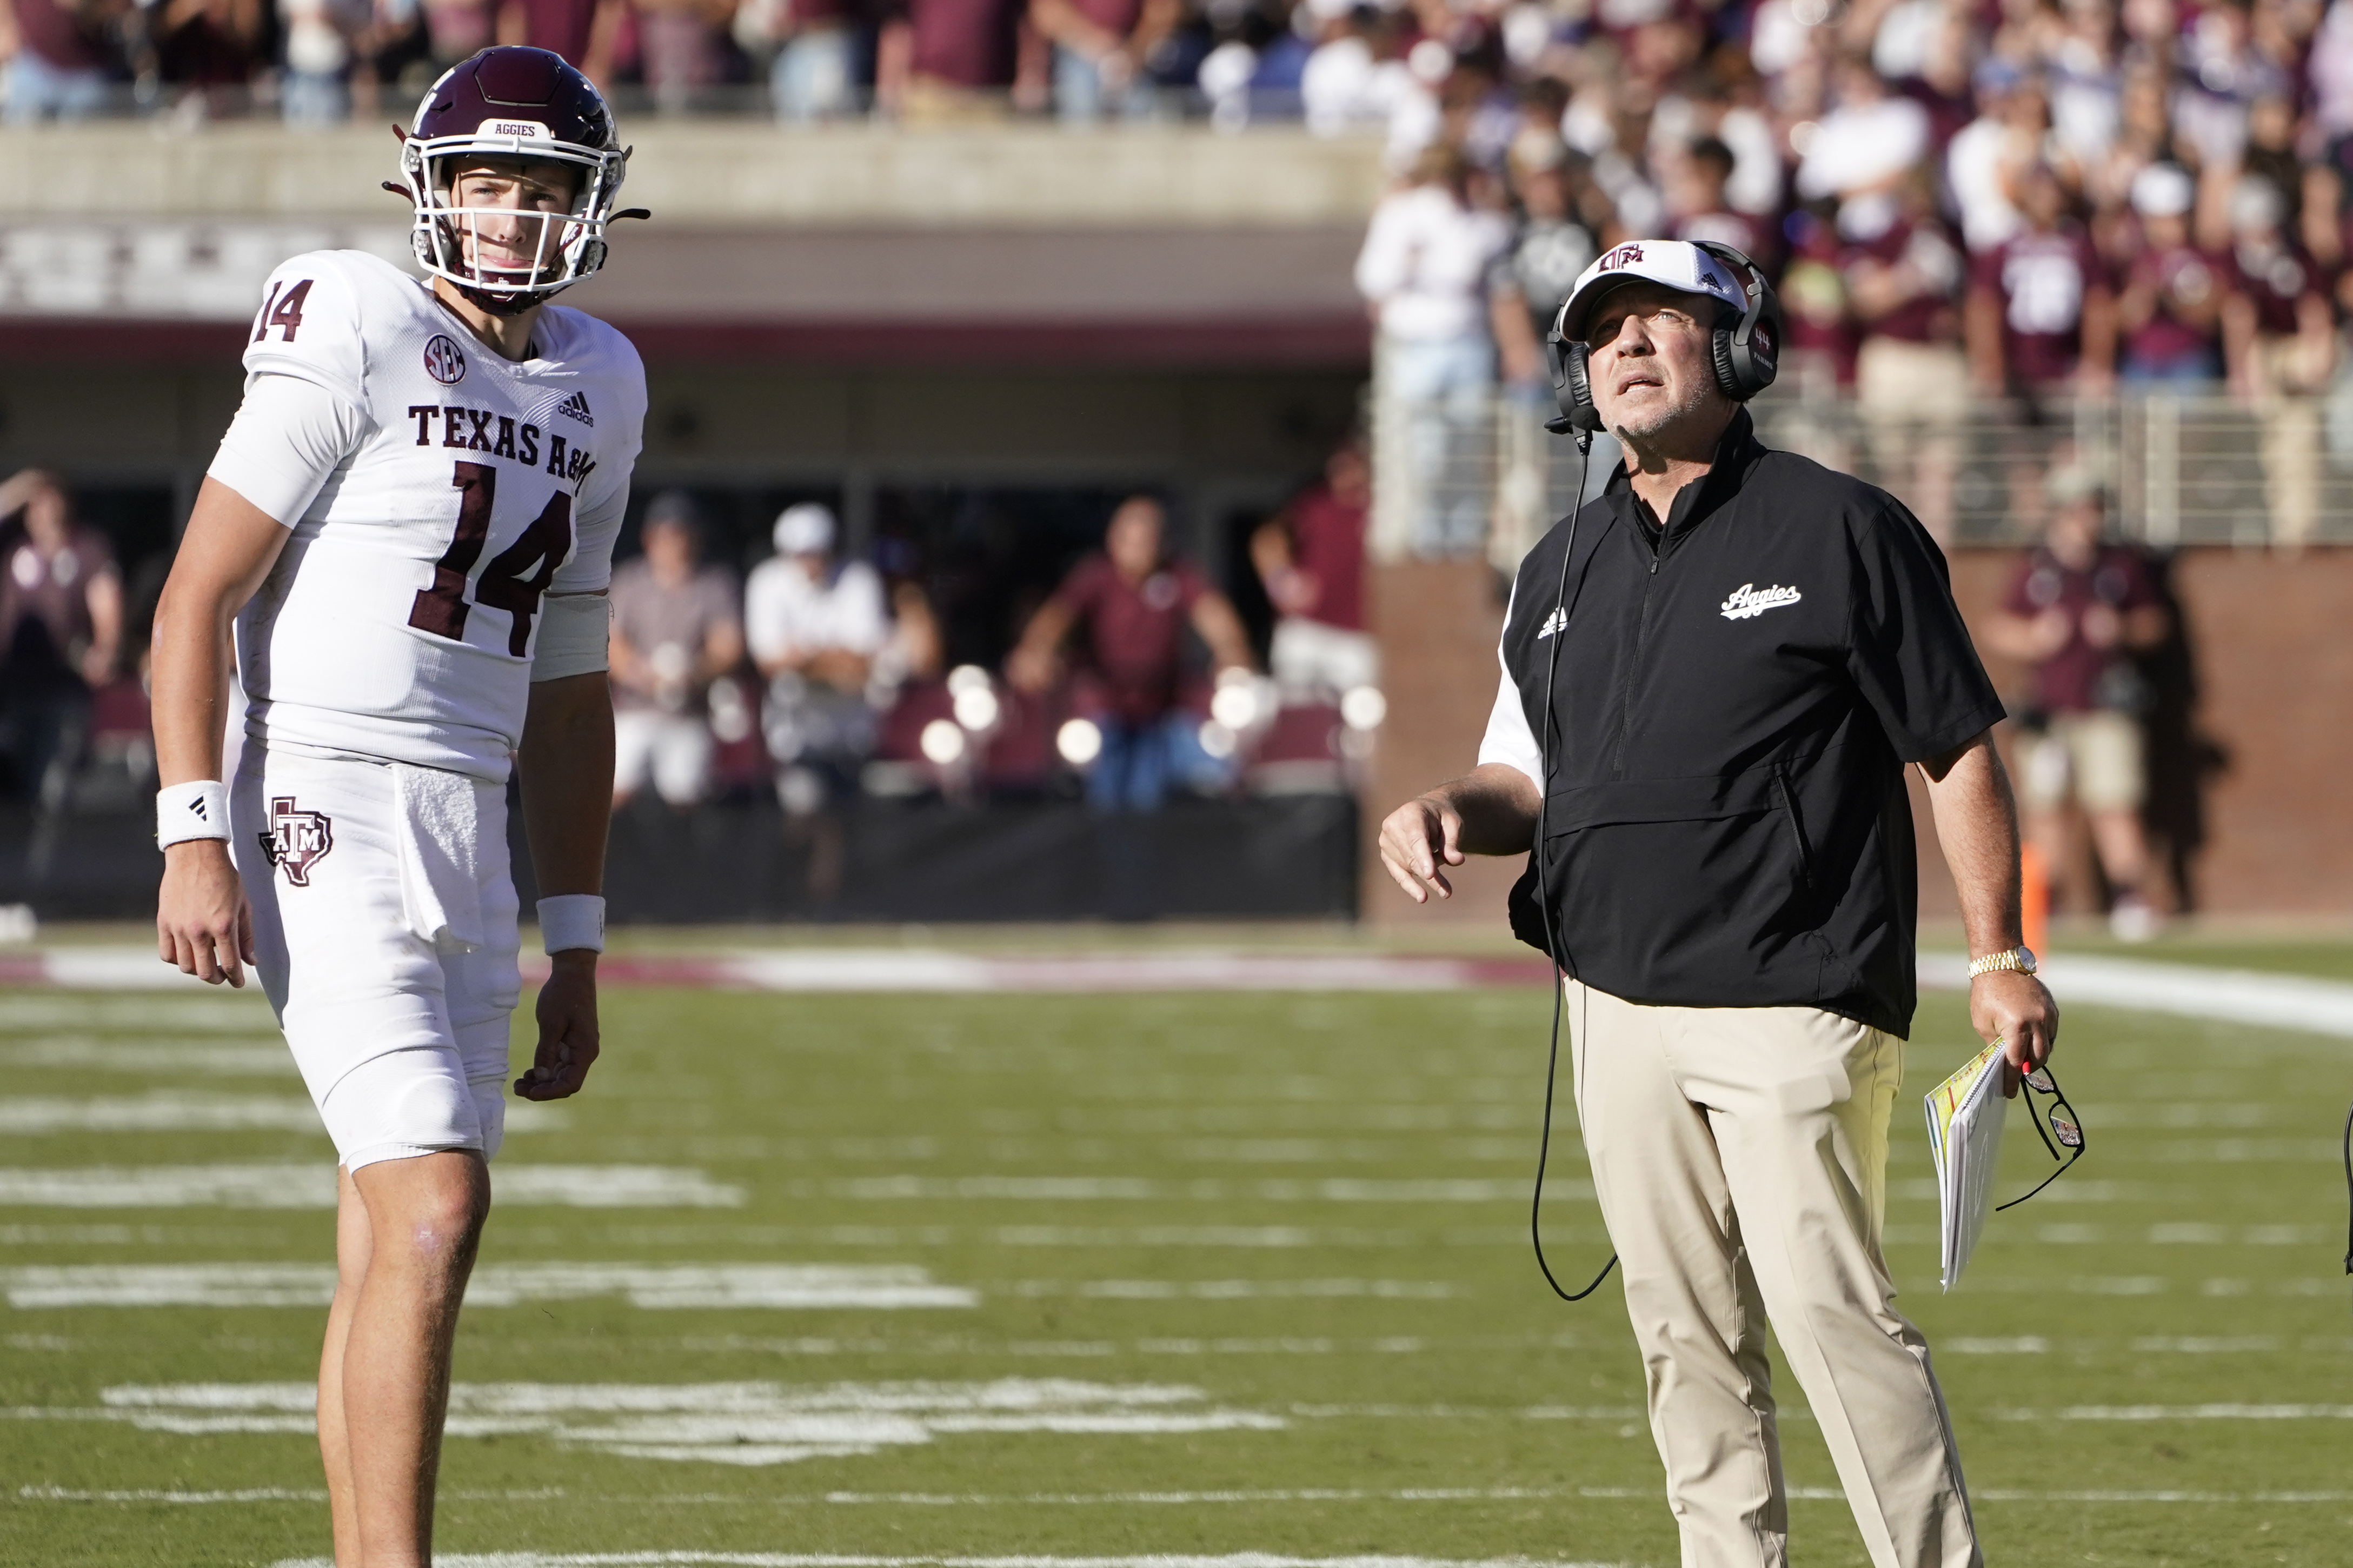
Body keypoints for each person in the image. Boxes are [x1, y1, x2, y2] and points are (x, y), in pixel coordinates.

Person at [1378, 239, 2058, 1568]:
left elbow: (1956, 747)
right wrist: (1451, 809)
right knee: (1677, 1333)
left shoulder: (1841, 527)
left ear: (1740, 350)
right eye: (1602, 333)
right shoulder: (1553, 567)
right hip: (1611, 1003)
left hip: (1792, 995)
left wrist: (1999, 951)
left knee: (1831, 1319)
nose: (1626, 349)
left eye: (1658, 323)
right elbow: (1521, 772)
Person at [148, 46, 644, 1566]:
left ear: (589, 206)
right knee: (434, 1207)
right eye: (485, 180)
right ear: (426, 188)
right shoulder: (355, 315)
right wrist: (191, 825)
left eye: (541, 186)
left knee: (387, 1239)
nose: (506, 214)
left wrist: (580, 932)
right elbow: (198, 595)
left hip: (470, 828)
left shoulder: (603, 378)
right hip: (321, 790)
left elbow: (569, 686)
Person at [1983, 468, 2169, 939]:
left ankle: (2130, 898)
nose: (2090, 517)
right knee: (2046, 809)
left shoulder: (2121, 565)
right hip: (2048, 711)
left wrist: (2122, 630)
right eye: (2082, 507)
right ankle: (2050, 904)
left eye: (2095, 507)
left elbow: (2154, 624)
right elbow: (1997, 627)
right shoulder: (2037, 567)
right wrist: (2035, 637)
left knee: (2116, 803)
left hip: (2106, 708)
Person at [1006, 494, 1255, 812]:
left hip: (1164, 713)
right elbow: (1056, 619)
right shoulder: (1095, 576)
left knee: (1216, 769)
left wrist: (1233, 653)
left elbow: (1216, 617)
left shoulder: (1179, 575)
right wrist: (1034, 652)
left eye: (1149, 538)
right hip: (1107, 711)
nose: (1140, 548)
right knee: (1105, 799)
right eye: (1131, 539)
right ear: (1114, 540)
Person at [1354, 143, 1513, 557]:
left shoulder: (1476, 217)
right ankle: (1428, 543)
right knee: (1425, 452)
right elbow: (1374, 277)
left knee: (1466, 445)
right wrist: (1412, 265)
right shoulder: (1402, 213)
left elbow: (1469, 263)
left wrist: (1424, 264)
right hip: (1415, 346)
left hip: (1467, 342)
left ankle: (1460, 543)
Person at [743, 501, 890, 812]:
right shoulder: (767, 581)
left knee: (849, 819)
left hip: (851, 730)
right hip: (793, 732)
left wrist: (804, 657)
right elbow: (769, 661)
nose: (810, 562)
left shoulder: (858, 579)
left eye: (816, 552)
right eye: (800, 554)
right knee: (803, 815)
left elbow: (864, 661)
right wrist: (834, 659)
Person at [607, 491, 745, 809]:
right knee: (617, 793)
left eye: (682, 534)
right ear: (650, 538)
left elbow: (728, 646)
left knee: (686, 798)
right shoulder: (628, 582)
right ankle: (618, 859)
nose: (675, 544)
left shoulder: (714, 584)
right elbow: (612, 644)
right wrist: (644, 675)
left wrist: (692, 672)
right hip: (635, 708)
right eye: (667, 535)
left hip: (689, 712)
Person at [2221, 175, 2335, 546]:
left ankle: (2295, 535)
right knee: (2268, 445)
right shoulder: (2236, 262)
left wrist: (2316, 358)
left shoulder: (2296, 258)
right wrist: (2241, 372)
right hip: (2265, 357)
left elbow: (2314, 312)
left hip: (2294, 355)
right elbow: (2239, 319)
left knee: (2296, 442)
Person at [0, 469, 122, 808]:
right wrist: (19, 488)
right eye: (35, 503)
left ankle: (52, 855)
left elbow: (105, 602)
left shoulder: (86, 548)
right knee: (18, 780)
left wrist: (105, 649)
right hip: (14, 685)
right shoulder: (14, 548)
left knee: (55, 779)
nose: (43, 510)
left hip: (65, 683)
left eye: (50, 500)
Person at [1251, 441, 1376, 705]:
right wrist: (1281, 585)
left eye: (1351, 466)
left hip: (1357, 634)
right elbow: (1267, 540)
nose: (1344, 474)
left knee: (1361, 713)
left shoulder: (1378, 511)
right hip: (1306, 629)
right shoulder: (1314, 506)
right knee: (1295, 711)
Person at [1028, 0, 1176, 120]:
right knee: (1082, 95)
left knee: (1144, 107)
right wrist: (1095, 44)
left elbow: (1164, 8)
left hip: (1136, 51)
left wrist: (1133, 52)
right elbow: (1047, 10)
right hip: (1079, 49)